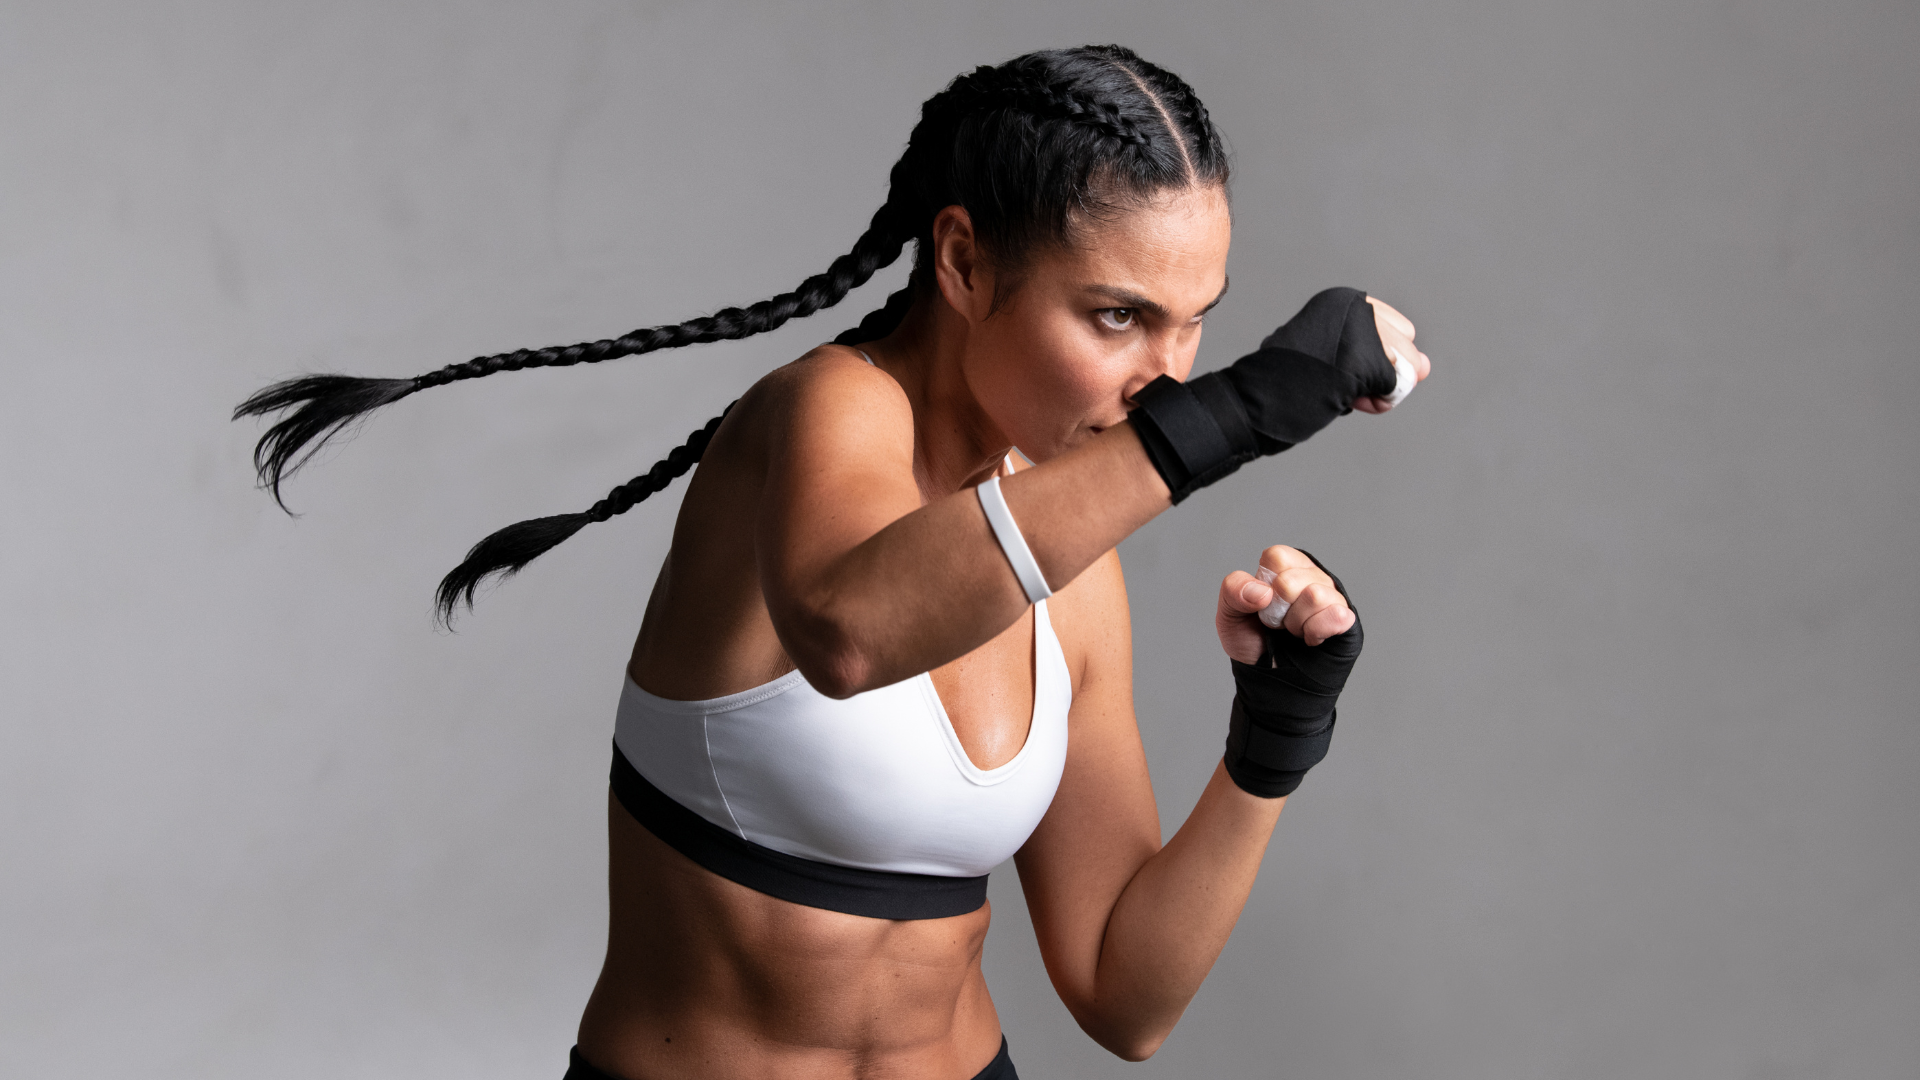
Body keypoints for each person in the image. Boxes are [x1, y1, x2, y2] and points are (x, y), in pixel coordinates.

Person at [236, 44, 1428, 1080]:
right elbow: (850, 633)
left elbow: (1124, 998)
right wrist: (1250, 405)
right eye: (1117, 317)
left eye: (1196, 323)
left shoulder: (1066, 551)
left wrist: (1273, 741)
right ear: (962, 264)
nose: (1165, 375)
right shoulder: (820, 417)